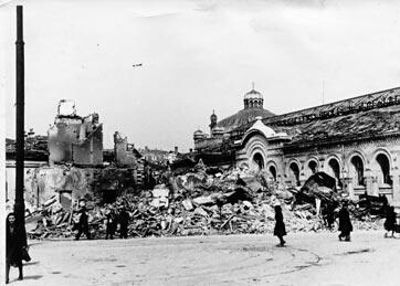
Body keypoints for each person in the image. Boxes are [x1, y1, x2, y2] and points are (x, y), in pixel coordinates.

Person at [6, 212, 27, 284]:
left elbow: (23, 235)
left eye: (12, 218)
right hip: (8, 247)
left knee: (19, 260)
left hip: (18, 246)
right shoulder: (5, 226)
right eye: (10, 219)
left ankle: (20, 274)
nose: (11, 220)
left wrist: (24, 245)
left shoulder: (19, 226)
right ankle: (7, 278)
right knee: (8, 261)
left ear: (15, 219)